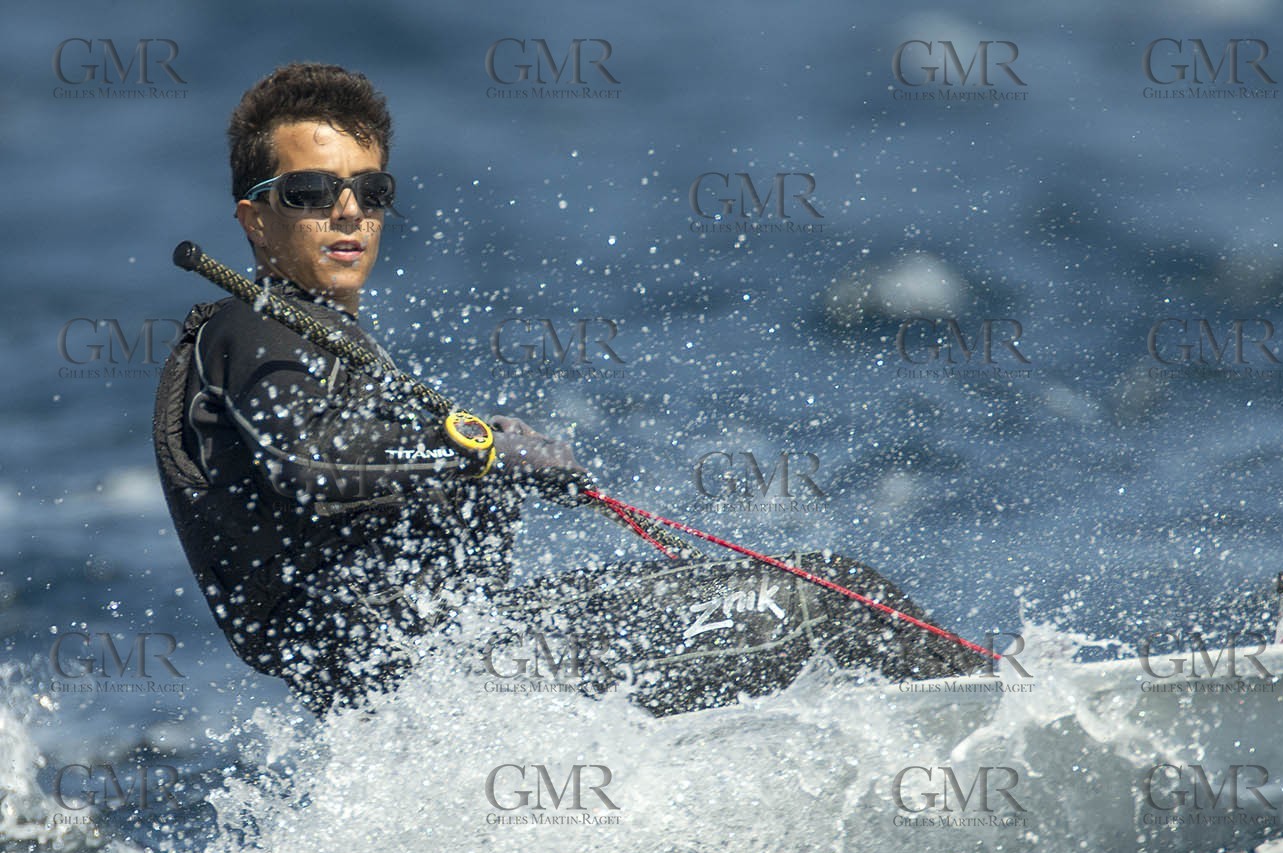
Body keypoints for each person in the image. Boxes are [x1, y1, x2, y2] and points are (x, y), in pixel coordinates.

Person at [155, 62, 990, 715]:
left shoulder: (314, 342)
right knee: (834, 599)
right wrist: (480, 453)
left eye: (370, 191)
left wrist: (486, 456)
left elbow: (357, 468)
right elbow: (310, 463)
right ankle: (1014, 714)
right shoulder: (250, 327)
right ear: (254, 218)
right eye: (309, 192)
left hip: (463, 678)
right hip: (465, 674)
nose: (347, 211)